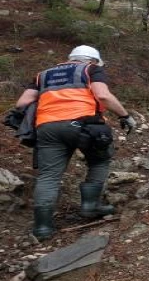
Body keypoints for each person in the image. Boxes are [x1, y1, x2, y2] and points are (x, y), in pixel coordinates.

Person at [14, 45, 136, 240]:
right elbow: (102, 95)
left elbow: (22, 103)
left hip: (47, 127)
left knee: (48, 176)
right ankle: (90, 206)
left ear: (71, 58)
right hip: (85, 125)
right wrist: (124, 115)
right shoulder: (91, 70)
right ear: (93, 60)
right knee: (99, 160)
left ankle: (43, 228)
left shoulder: (42, 75)